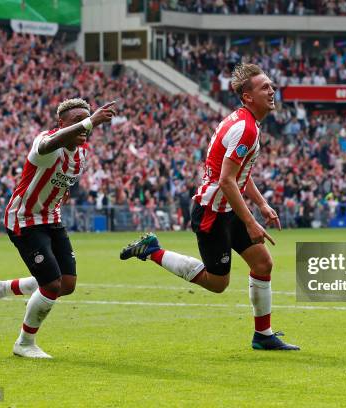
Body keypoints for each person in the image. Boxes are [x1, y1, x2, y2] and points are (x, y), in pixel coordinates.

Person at [120, 63, 299, 350]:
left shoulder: (248, 124)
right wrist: (252, 221)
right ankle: (153, 251)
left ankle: (263, 335)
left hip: (229, 209)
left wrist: (262, 204)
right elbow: (228, 181)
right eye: (265, 86)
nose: (272, 90)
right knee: (218, 283)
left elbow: (240, 175)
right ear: (247, 96)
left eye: (271, 85)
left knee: (263, 263)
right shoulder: (246, 129)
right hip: (212, 214)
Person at [0, 99, 116, 358]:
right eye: (77, 121)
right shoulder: (47, 141)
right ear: (61, 124)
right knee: (51, 285)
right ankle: (25, 343)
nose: (84, 127)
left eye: (86, 121)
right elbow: (46, 147)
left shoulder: (81, 154)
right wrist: (91, 120)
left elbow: (61, 183)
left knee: (67, 284)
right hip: (24, 218)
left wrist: (61, 194)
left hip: (51, 217)